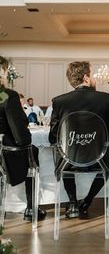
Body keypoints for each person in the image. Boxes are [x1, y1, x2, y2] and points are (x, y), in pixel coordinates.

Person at [49, 61, 109, 218]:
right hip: (99, 159)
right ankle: (87, 201)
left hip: (69, 159)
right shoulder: (106, 99)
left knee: (62, 155)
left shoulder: (59, 101)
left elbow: (53, 137)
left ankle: (73, 203)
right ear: (86, 78)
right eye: (93, 74)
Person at [0, 56, 46, 221]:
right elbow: (20, 136)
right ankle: (31, 207)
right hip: (5, 154)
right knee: (32, 150)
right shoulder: (7, 95)